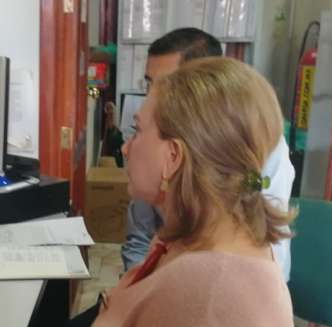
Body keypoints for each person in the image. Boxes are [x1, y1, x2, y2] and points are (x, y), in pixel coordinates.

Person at [42, 56, 296, 327]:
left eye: (138, 131)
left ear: (172, 157)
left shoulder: (202, 294)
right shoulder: (198, 241)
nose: (126, 148)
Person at [120, 28, 294, 277]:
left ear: (204, 86)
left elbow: (260, 252)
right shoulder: (153, 130)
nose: (153, 97)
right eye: (150, 84)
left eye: (168, 85)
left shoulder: (255, 144)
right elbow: (139, 236)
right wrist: (133, 288)